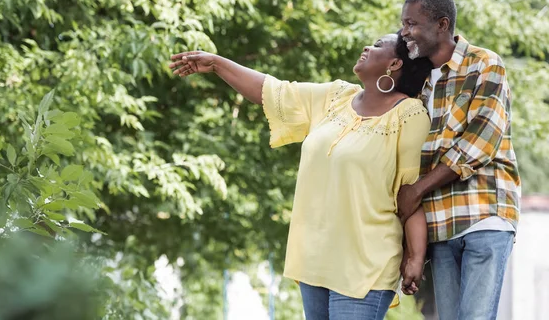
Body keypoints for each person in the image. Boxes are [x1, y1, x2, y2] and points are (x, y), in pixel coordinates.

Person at [170, 30, 433, 320]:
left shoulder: (409, 115)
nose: (367, 47)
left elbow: (411, 194)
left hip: (366, 264)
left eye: (378, 45)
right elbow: (272, 91)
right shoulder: (336, 96)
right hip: (314, 259)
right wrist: (218, 64)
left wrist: (415, 258)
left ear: (394, 64)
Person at [396, 0, 521, 320]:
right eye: (403, 24)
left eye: (412, 23)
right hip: (440, 224)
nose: (405, 32)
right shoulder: (417, 83)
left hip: (483, 214)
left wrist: (417, 190)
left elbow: (480, 142)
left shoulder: (484, 64)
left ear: (442, 24)